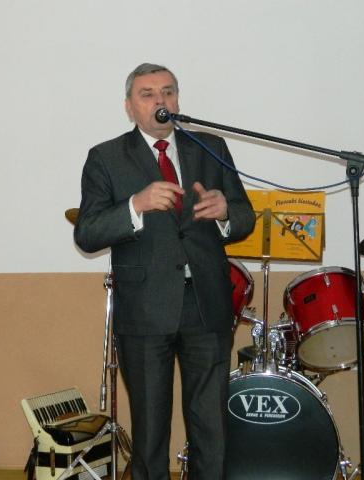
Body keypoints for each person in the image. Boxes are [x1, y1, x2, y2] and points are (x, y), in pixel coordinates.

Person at [74, 63, 255, 479]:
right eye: (148, 94)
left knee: (211, 427)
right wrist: (134, 206)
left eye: (168, 91)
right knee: (151, 429)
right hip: (145, 308)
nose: (161, 100)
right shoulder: (105, 157)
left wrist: (226, 212)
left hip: (207, 304)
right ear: (129, 107)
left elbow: (245, 215)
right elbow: (87, 232)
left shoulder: (210, 147)